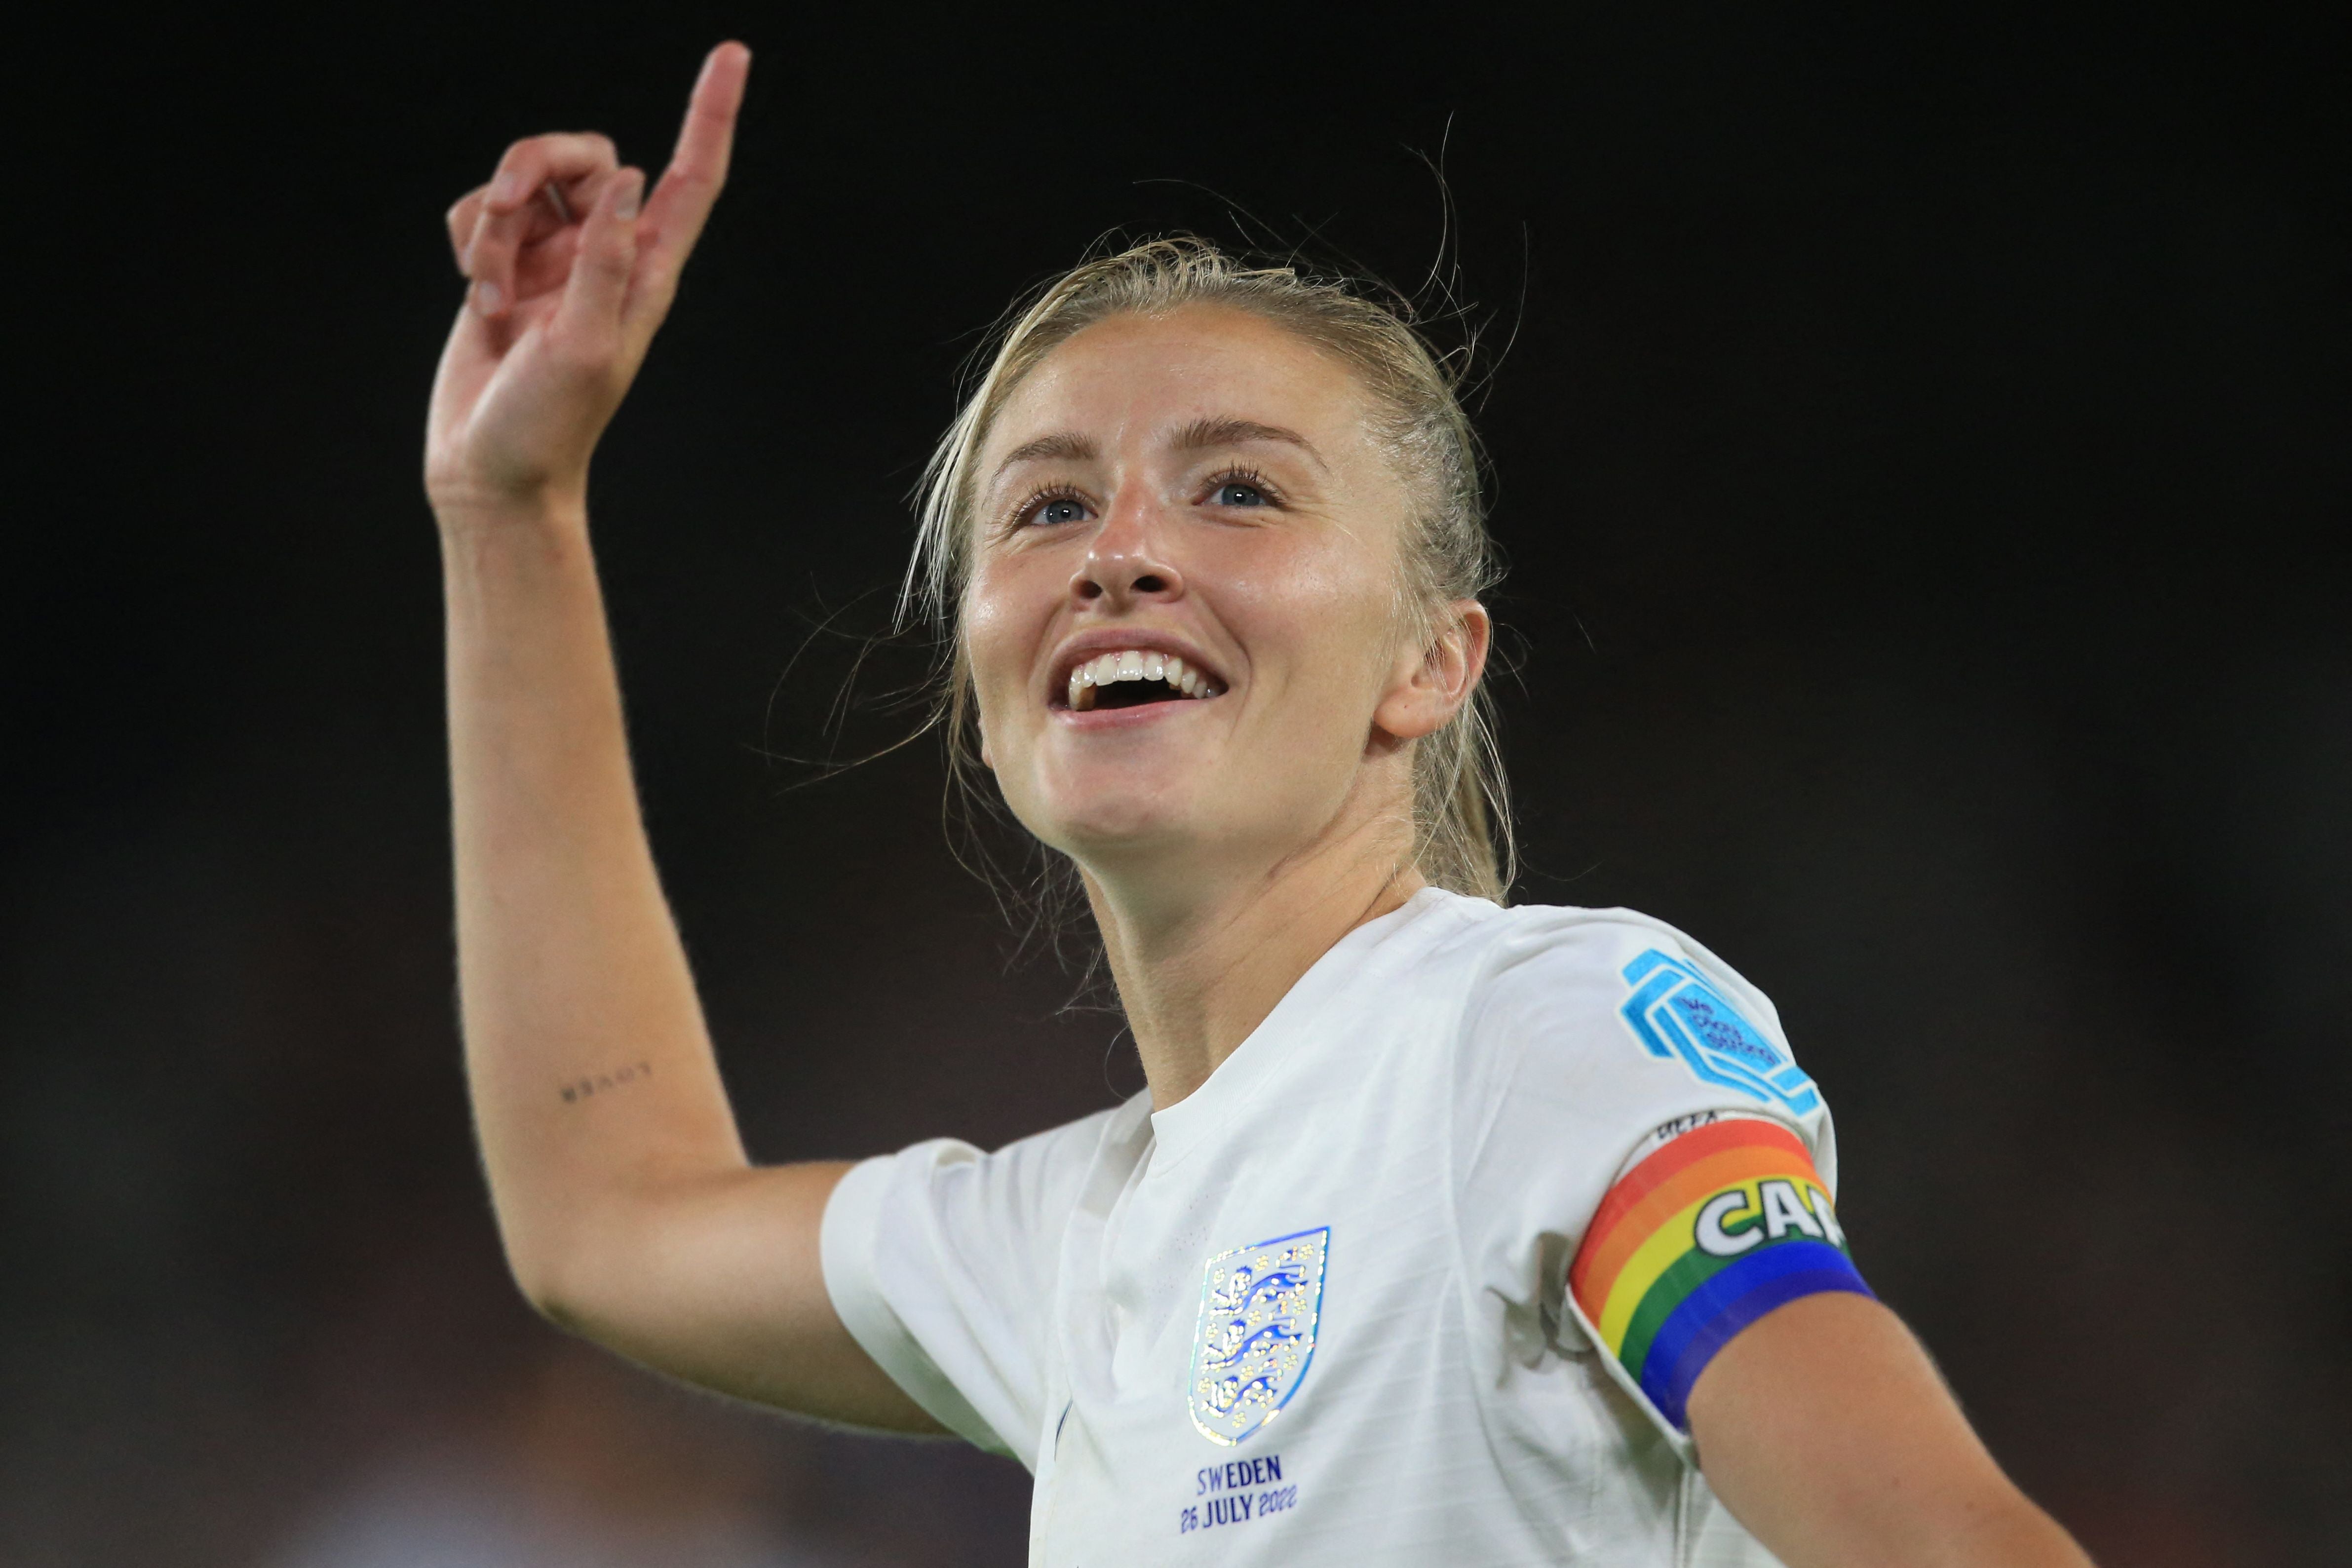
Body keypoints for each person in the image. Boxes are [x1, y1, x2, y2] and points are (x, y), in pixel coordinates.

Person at [424, 41, 2094, 1568]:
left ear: (1430, 663)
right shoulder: (1070, 1249)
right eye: (1050, 504)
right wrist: (511, 508)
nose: (1121, 552)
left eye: (1239, 489)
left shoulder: (1535, 1043)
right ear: (983, 694)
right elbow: (607, 1209)